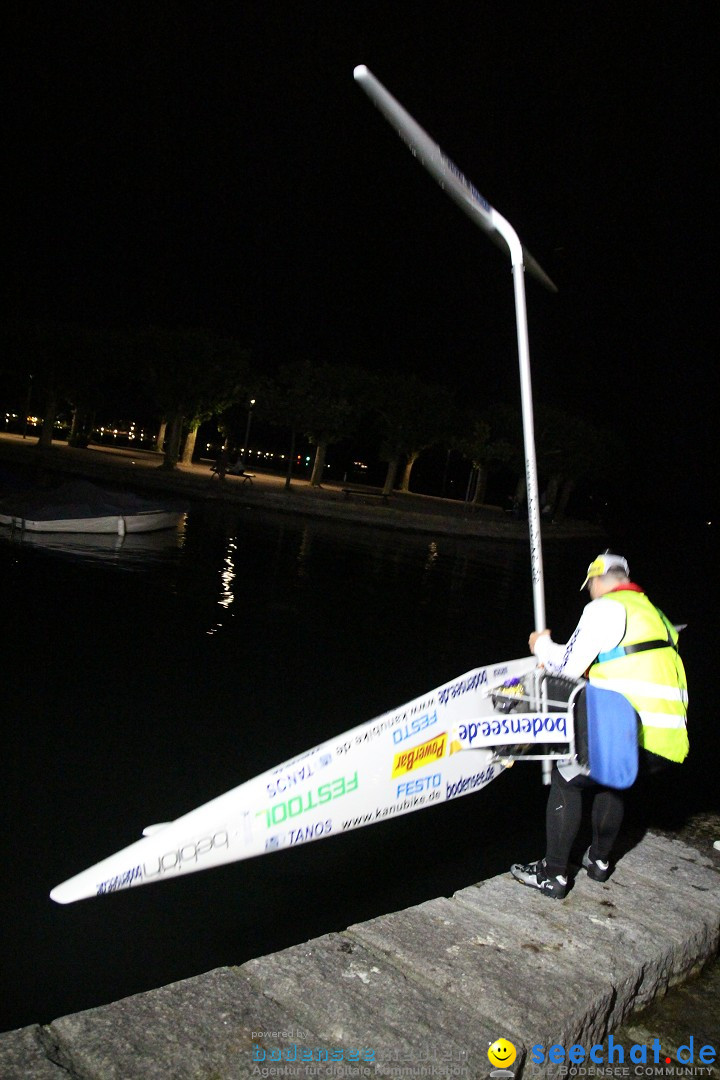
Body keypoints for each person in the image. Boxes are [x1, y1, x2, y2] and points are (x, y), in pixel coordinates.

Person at [511, 551, 689, 899]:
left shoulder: (606, 608)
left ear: (598, 581)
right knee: (613, 782)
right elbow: (633, 662)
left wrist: (541, 645)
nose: (589, 594)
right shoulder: (655, 615)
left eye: (590, 586)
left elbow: (566, 665)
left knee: (566, 777)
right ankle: (599, 862)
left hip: (630, 727)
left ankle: (554, 875)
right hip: (667, 742)